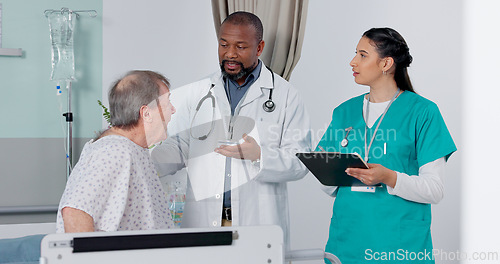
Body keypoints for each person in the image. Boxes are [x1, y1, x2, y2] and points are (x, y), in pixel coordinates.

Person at [151, 11, 311, 248]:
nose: (230, 54)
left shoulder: (285, 95)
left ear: (259, 48)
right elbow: (182, 145)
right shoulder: (201, 91)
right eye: (223, 44)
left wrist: (260, 156)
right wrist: (141, 160)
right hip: (204, 221)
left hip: (257, 223)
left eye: (240, 46)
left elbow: (300, 162)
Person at [317, 28, 456, 263]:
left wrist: (389, 177)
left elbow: (435, 189)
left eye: (362, 55)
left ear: (386, 63)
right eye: (356, 54)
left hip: (399, 246)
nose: (353, 62)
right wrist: (329, 172)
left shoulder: (422, 112)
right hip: (348, 242)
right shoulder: (344, 112)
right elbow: (327, 185)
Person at [56, 70, 176, 233]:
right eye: (167, 104)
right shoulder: (115, 152)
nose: (173, 110)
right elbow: (74, 211)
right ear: (146, 113)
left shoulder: (130, 148)